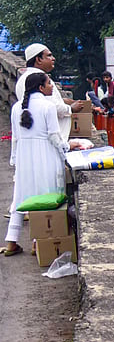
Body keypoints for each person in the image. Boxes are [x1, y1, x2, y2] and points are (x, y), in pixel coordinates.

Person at [4, 72, 68, 256]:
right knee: (45, 196)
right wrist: (65, 150)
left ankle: (11, 242)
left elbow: (15, 138)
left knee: (21, 197)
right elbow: (54, 136)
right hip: (45, 155)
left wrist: (15, 160)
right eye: (49, 84)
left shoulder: (17, 108)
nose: (51, 87)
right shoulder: (47, 107)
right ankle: (37, 243)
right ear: (41, 87)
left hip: (25, 156)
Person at [15, 43, 84, 143]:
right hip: (49, 139)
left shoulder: (23, 79)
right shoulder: (39, 79)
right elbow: (49, 107)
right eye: (49, 55)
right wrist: (71, 108)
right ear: (38, 59)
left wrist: (62, 100)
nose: (53, 58)